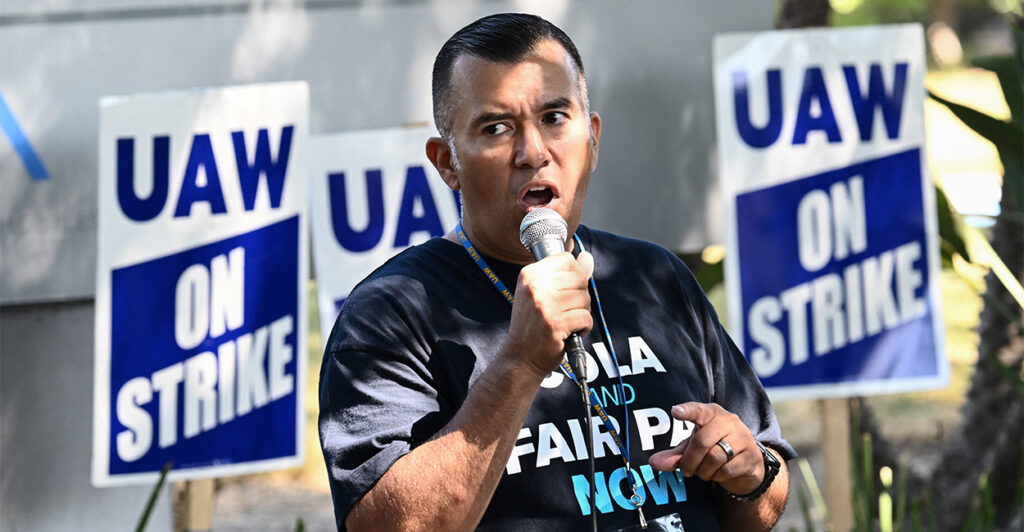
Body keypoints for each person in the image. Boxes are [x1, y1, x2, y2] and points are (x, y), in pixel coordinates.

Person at [319, 13, 796, 531]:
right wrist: (520, 363)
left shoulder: (657, 277)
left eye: (554, 117)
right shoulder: (388, 314)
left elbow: (767, 494)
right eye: (496, 128)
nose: (533, 153)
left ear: (592, 138)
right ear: (447, 162)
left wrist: (750, 473)